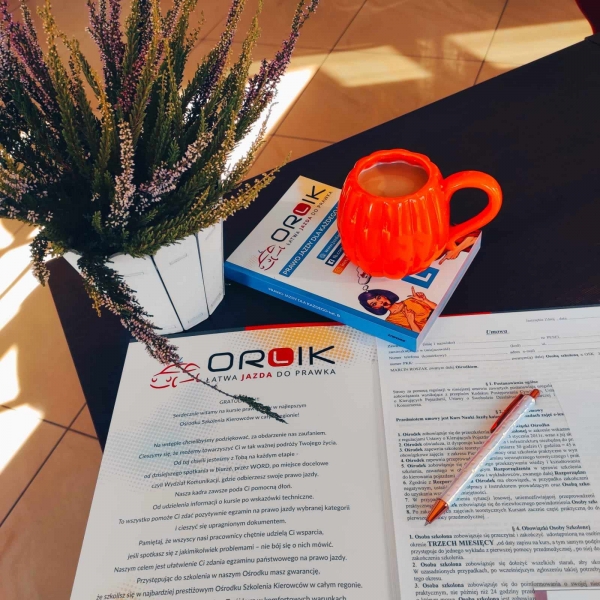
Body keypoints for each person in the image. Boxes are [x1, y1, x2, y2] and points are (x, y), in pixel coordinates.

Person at [358, 286, 437, 333]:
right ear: (375, 308)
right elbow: (417, 336)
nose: (380, 302)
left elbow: (438, 309)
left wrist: (424, 300)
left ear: (384, 296)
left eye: (378, 298)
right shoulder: (391, 321)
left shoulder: (410, 300)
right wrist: (411, 321)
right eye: (374, 304)